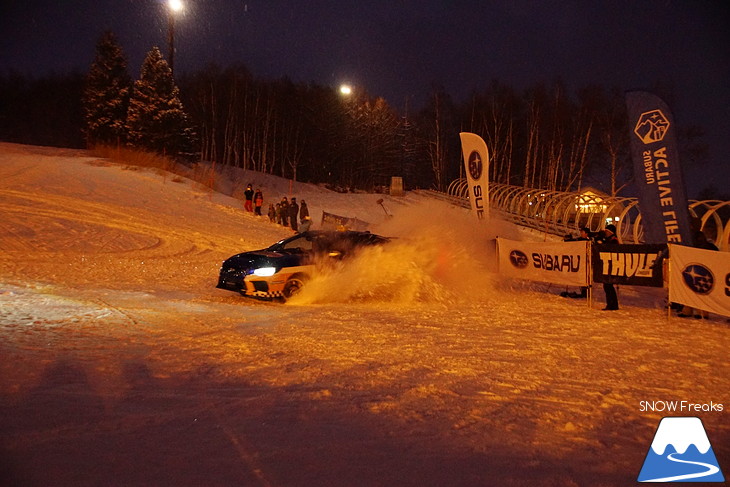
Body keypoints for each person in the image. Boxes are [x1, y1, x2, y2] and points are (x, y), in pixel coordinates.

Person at [678, 230, 719, 319]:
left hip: (701, 271)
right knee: (696, 291)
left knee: (696, 291)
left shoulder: (697, 247)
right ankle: (697, 311)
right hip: (698, 270)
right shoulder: (710, 247)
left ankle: (697, 311)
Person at [560, 227, 591, 298]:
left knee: (585, 276)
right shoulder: (579, 239)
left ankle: (586, 291)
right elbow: (573, 241)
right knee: (581, 276)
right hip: (579, 261)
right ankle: (584, 290)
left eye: (582, 232)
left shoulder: (588, 241)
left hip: (585, 261)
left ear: (586, 233)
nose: (581, 233)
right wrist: (568, 239)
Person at [595, 224, 619, 310]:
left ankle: (612, 305)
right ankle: (611, 304)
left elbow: (609, 248)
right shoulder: (609, 239)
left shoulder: (614, 240)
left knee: (608, 285)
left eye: (607, 231)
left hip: (612, 265)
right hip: (607, 265)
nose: (606, 233)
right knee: (607, 286)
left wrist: (602, 242)